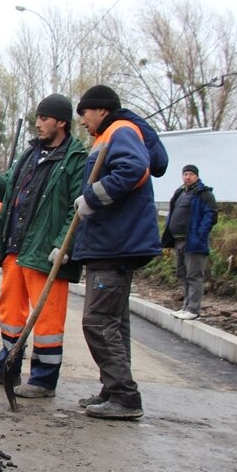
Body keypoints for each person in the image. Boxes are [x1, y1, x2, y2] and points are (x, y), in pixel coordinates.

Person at [0, 94, 87, 400]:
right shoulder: (29, 155)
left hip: (45, 253)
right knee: (10, 311)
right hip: (16, 247)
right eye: (37, 117)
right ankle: (7, 366)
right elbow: (8, 189)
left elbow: (76, 209)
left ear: (61, 122)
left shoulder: (75, 159)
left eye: (44, 118)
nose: (38, 123)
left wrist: (62, 245)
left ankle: (43, 380)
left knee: (47, 318)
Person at [72, 84, 163, 420]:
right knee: (114, 322)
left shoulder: (120, 131)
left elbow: (134, 169)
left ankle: (125, 397)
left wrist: (93, 196)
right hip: (109, 243)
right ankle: (113, 388)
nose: (82, 118)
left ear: (102, 109)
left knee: (98, 321)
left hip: (116, 244)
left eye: (85, 111)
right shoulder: (107, 135)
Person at [161, 165, 217, 320]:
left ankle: (193, 309)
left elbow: (211, 214)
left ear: (197, 176)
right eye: (185, 174)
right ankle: (186, 306)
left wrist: (200, 234)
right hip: (178, 241)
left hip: (193, 242)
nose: (187, 177)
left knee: (194, 275)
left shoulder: (203, 194)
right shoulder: (180, 192)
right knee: (182, 274)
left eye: (191, 174)